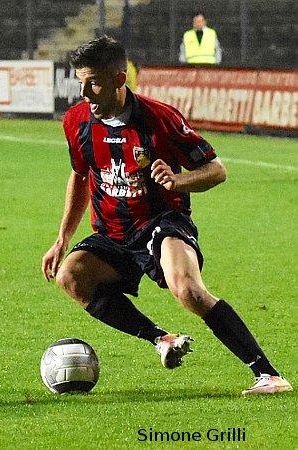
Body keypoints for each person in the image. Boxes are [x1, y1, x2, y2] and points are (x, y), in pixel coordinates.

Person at [41, 36, 291, 395]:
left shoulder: (159, 119)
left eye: (93, 82)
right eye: (80, 82)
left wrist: (178, 180)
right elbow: (81, 175)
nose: (84, 93)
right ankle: (163, 339)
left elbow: (216, 170)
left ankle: (269, 375)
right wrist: (63, 236)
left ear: (118, 79)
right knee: (71, 277)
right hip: (113, 232)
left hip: (162, 222)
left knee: (188, 290)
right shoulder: (77, 121)